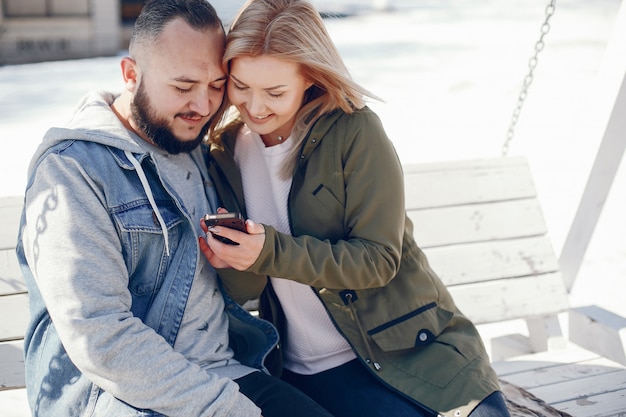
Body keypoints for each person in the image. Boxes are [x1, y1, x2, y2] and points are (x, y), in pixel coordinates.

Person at [16, 1, 336, 416]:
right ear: (131, 75)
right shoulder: (73, 170)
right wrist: (227, 409)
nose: (203, 107)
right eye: (183, 87)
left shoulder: (198, 150)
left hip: (226, 374)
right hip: (119, 396)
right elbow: (100, 335)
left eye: (216, 86)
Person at [200, 0, 512, 416]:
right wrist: (230, 258)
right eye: (241, 86)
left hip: (413, 350)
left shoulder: (355, 131)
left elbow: (379, 259)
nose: (255, 108)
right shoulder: (224, 152)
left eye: (275, 92)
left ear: (310, 76)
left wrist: (270, 251)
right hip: (303, 372)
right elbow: (247, 290)